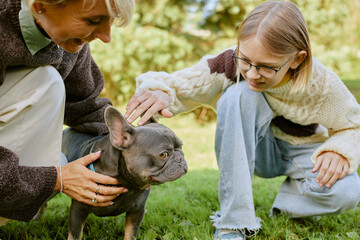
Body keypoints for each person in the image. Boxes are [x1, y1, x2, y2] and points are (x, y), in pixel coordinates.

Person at [125, 1, 360, 239]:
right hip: (256, 149)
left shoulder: (322, 85)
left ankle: (287, 205)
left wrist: (340, 149)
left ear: (297, 59)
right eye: (245, 60)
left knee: (348, 191)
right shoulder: (230, 63)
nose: (252, 73)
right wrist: (161, 91)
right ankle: (233, 222)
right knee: (241, 93)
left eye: (267, 67)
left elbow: (354, 124)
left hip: (303, 153)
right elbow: (180, 82)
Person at [0, 0, 135, 225]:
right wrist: (55, 179)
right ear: (40, 6)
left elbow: (86, 106)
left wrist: (136, 140)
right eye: (93, 20)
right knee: (46, 81)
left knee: (58, 160)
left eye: (110, 21)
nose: (106, 36)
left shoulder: (68, 45)